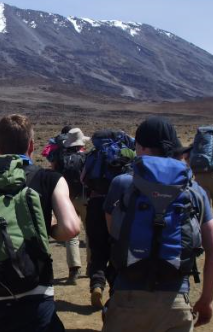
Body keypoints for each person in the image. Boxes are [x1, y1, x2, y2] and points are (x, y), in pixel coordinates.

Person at [102, 117, 213, 332]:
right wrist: (206, 300)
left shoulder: (121, 184)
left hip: (127, 296)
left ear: (141, 147)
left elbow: (114, 234)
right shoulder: (195, 190)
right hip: (175, 298)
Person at [0, 114, 80, 332]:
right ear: (31, 145)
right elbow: (71, 228)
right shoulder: (50, 179)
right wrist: (46, 229)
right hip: (35, 292)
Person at [81, 130, 136, 308]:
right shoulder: (125, 152)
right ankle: (115, 292)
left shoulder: (93, 155)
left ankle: (97, 285)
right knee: (116, 248)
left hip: (96, 203)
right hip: (119, 206)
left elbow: (83, 179)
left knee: (97, 248)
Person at [51, 128, 91, 284]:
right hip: (86, 198)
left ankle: (74, 269)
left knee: (71, 234)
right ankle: (91, 266)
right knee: (90, 232)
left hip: (68, 199)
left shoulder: (60, 159)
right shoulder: (86, 158)